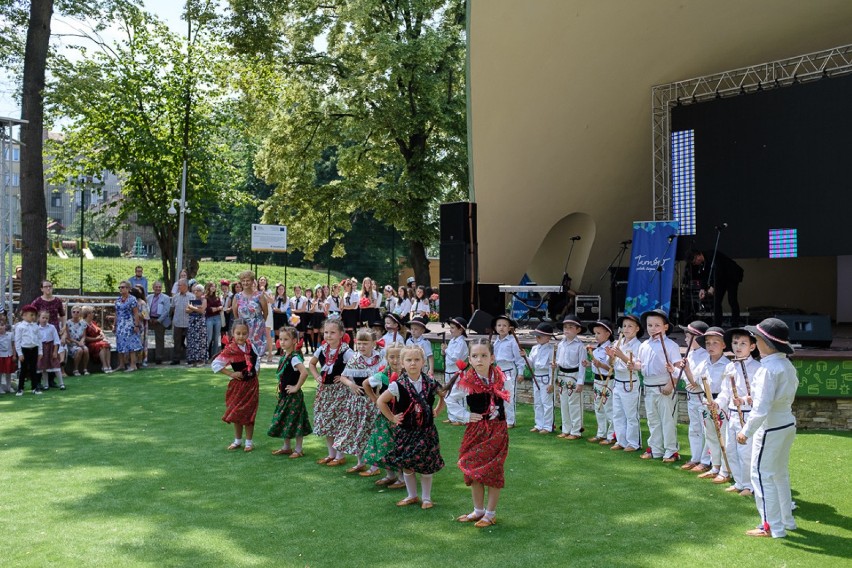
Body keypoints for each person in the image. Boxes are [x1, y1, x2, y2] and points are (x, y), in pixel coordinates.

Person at [736, 318, 798, 538]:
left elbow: (761, 409)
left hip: (771, 427)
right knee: (779, 473)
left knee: (761, 475)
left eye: (758, 339)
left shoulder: (768, 369)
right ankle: (786, 522)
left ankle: (771, 526)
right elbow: (771, 400)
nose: (754, 341)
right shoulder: (786, 365)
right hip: (786, 423)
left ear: (769, 344)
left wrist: (745, 432)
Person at [447, 337, 509, 527]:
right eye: (475, 356)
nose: (479, 360)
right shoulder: (465, 381)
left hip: (497, 429)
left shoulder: (501, 378)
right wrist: (466, 416)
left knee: (493, 469)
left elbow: (508, 399)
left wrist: (502, 418)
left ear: (492, 357)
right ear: (469, 359)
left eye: (484, 355)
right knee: (472, 468)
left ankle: (490, 513)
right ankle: (478, 510)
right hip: (476, 430)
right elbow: (451, 400)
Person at [376, 345, 445, 509]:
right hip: (406, 431)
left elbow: (444, 396)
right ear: (402, 363)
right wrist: (392, 417)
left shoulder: (430, 383)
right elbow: (381, 401)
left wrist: (437, 410)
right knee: (407, 464)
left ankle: (426, 498)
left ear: (423, 362)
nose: (413, 363)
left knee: (427, 465)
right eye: (408, 360)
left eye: (416, 360)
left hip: (427, 431)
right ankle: (411, 495)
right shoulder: (397, 385)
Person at [678, 327, 731, 482]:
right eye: (708, 343)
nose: (711, 346)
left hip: (722, 404)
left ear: (724, 345)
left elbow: (726, 391)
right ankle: (714, 467)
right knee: (711, 436)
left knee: (724, 438)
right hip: (706, 402)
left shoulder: (728, 365)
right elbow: (695, 382)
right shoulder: (704, 363)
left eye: (715, 343)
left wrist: (718, 403)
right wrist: (686, 369)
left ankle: (725, 470)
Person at [631, 309, 681, 462]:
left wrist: (670, 384)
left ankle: (671, 451)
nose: (653, 328)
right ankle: (655, 449)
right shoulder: (644, 344)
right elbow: (641, 363)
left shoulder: (671, 345)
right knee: (653, 420)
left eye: (657, 325)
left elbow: (678, 368)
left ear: (666, 327)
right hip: (648, 385)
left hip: (664, 386)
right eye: (650, 325)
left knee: (667, 420)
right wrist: (634, 365)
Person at [717, 327, 761, 496]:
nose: (738, 346)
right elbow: (725, 392)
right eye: (735, 343)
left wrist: (743, 400)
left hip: (748, 414)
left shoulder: (757, 368)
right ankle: (739, 482)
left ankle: (750, 485)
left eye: (743, 343)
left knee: (745, 452)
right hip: (731, 414)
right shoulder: (730, 367)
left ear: (752, 347)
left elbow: (758, 395)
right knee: (731, 450)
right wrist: (717, 403)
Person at [335, 328, 383, 473]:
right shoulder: (354, 359)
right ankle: (360, 462)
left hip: (375, 400)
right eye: (359, 343)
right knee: (359, 431)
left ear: (373, 343)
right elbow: (343, 376)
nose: (362, 346)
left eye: (365, 343)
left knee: (373, 432)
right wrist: (352, 385)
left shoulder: (379, 358)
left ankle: (375, 466)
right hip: (359, 401)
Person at [309, 317, 354, 466]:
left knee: (339, 422)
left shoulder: (346, 350)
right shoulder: (322, 349)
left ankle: (340, 456)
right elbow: (311, 363)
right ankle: (331, 454)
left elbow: (355, 365)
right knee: (327, 422)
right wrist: (317, 377)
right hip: (325, 392)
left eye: (332, 332)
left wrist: (343, 376)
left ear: (341, 333)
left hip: (340, 392)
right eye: (326, 332)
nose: (328, 335)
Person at [212, 318, 261, 452]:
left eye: (244, 333)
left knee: (250, 413)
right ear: (233, 333)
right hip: (238, 387)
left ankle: (249, 442)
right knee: (237, 413)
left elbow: (257, 359)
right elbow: (215, 364)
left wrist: (255, 372)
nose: (241, 336)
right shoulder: (231, 350)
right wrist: (231, 374)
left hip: (251, 385)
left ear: (248, 333)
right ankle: (237, 440)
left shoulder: (251, 346)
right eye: (238, 333)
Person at [363, 342, 405, 485]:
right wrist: (375, 399)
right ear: (387, 358)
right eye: (392, 357)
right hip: (386, 416)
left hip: (402, 417)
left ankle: (402, 478)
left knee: (399, 446)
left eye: (399, 357)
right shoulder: (382, 376)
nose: (395, 360)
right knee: (383, 445)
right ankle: (390, 474)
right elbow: (365, 384)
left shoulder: (407, 375)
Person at [268, 326, 312, 458]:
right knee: (285, 419)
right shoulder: (285, 356)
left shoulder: (294, 357)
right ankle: (286, 447)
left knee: (296, 420)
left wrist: (296, 387)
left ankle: (298, 449)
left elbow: (304, 373)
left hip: (293, 396)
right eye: (280, 339)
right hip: (285, 395)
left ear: (294, 341)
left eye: (286, 339)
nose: (282, 342)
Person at [673, 321, 710, 471]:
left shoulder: (706, 356)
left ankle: (706, 460)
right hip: (691, 397)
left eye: (688, 337)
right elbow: (685, 377)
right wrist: (674, 370)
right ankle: (695, 458)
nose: (686, 340)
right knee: (694, 428)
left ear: (697, 339)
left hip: (702, 397)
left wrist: (688, 372)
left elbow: (699, 380)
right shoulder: (691, 353)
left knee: (706, 429)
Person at [606, 314, 643, 451]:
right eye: (624, 326)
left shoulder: (639, 345)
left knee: (631, 414)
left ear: (637, 329)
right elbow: (611, 364)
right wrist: (611, 356)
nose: (626, 329)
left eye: (630, 326)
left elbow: (637, 364)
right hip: (617, 381)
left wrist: (621, 354)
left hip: (630, 381)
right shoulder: (617, 343)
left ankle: (633, 443)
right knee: (618, 413)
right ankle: (621, 441)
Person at [689, 249, 744, 327]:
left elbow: (719, 271)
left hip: (731, 276)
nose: (696, 263)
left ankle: (735, 323)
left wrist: (713, 286)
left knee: (732, 300)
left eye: (695, 261)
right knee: (716, 301)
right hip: (721, 279)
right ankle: (717, 325)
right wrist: (702, 289)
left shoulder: (712, 255)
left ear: (698, 255)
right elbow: (704, 275)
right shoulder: (703, 263)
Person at [491, 315, 526, 429]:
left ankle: (510, 420)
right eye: (499, 325)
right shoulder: (496, 342)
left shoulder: (512, 341)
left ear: (510, 328)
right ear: (495, 327)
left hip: (509, 369)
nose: (502, 328)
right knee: (498, 396)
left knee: (509, 396)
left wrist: (520, 372)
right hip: (498, 369)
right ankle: (501, 417)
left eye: (504, 325)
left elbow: (519, 359)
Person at [555, 316, 585, 439]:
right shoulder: (561, 344)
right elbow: (558, 361)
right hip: (562, 375)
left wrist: (580, 382)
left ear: (578, 330)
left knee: (574, 404)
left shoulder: (580, 346)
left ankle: (576, 430)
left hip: (574, 375)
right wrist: (555, 366)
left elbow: (582, 366)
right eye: (565, 327)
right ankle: (566, 429)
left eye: (571, 327)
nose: (567, 330)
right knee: (564, 403)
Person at [585, 319, 614, 444]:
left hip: (607, 381)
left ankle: (612, 436)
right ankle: (601, 433)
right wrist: (589, 364)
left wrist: (600, 364)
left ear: (607, 334)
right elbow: (595, 365)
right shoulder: (596, 350)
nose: (596, 336)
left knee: (609, 408)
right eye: (595, 333)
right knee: (598, 407)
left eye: (599, 333)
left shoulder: (611, 349)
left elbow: (611, 368)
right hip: (597, 381)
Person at [231, 271, 268, 359]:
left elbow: (265, 312)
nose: (245, 283)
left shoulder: (259, 295)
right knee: (244, 354)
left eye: (248, 280)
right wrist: (241, 324)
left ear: (252, 281)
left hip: (257, 328)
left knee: (256, 356)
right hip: (243, 329)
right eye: (243, 281)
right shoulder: (237, 296)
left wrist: (260, 323)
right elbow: (235, 313)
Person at [527, 322, 557, 434]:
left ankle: (548, 426)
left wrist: (551, 383)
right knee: (537, 402)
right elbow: (530, 364)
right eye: (536, 335)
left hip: (545, 377)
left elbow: (552, 368)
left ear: (548, 337)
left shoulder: (551, 349)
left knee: (547, 402)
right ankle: (539, 424)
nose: (537, 338)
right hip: (536, 376)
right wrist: (524, 356)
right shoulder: (534, 348)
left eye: (540, 336)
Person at [441, 316, 469, 425]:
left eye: (453, 328)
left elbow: (455, 358)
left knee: (459, 394)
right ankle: (452, 416)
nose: (450, 330)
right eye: (450, 327)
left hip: (457, 372)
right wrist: (444, 351)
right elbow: (448, 356)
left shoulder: (461, 343)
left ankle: (461, 418)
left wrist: (446, 350)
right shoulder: (452, 341)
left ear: (460, 329)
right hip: (449, 371)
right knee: (449, 393)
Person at [115, 281, 143, 373]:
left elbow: (136, 313)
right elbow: (116, 313)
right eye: (120, 287)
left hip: (129, 324)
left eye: (123, 287)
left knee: (131, 345)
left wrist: (136, 325)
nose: (121, 289)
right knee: (120, 344)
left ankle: (133, 365)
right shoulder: (118, 300)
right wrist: (114, 325)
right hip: (120, 325)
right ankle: (121, 364)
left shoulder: (132, 299)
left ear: (128, 289)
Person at [15, 304, 42, 395]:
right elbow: (17, 341)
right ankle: (20, 388)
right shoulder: (20, 327)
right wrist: (20, 353)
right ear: (24, 315)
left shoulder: (36, 326)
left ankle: (35, 387)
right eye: (31, 315)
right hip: (24, 350)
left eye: (34, 315)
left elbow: (39, 339)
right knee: (23, 369)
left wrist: (40, 352)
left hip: (34, 349)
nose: (33, 317)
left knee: (34, 369)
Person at [37, 309, 65, 390]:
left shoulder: (52, 327)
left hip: (51, 348)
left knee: (56, 366)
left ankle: (61, 383)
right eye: (43, 318)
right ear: (39, 318)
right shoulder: (37, 329)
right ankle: (46, 384)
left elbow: (56, 340)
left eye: (46, 318)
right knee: (44, 367)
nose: (45, 320)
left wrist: (55, 351)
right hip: (42, 349)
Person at [82, 305, 112, 373]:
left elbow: (99, 330)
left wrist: (102, 335)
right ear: (88, 314)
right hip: (90, 343)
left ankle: (108, 365)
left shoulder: (93, 323)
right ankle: (104, 366)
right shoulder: (83, 324)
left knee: (106, 344)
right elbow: (85, 338)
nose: (93, 314)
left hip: (98, 341)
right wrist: (96, 339)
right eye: (92, 312)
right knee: (102, 345)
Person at [147, 282, 171, 365]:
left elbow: (166, 311)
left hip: (160, 320)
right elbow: (145, 308)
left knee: (160, 340)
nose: (158, 288)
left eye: (160, 287)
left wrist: (159, 320)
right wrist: (148, 318)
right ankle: (144, 357)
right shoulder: (148, 297)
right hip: (149, 319)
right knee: (144, 337)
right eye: (156, 287)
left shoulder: (166, 298)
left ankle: (159, 357)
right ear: (153, 288)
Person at [170, 278, 193, 365]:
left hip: (188, 323)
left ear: (185, 286)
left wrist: (190, 310)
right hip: (177, 323)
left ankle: (190, 358)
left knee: (190, 341)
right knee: (177, 342)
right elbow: (172, 309)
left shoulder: (192, 296)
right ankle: (176, 359)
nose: (178, 287)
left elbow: (197, 309)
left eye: (180, 285)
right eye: (178, 285)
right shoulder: (175, 297)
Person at [186, 284, 208, 367]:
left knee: (201, 340)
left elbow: (202, 311)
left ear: (202, 292)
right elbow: (187, 310)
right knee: (192, 340)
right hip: (192, 322)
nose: (196, 292)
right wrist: (195, 308)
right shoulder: (191, 299)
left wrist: (192, 308)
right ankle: (193, 360)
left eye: (198, 290)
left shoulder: (204, 300)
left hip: (200, 323)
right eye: (195, 290)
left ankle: (201, 360)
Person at [65, 305, 89, 376]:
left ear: (80, 313)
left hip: (80, 342)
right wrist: (77, 342)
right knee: (79, 350)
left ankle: (85, 369)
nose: (75, 313)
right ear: (71, 313)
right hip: (72, 344)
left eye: (77, 312)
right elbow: (68, 337)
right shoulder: (68, 323)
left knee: (86, 349)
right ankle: (75, 369)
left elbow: (84, 336)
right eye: (74, 312)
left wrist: (81, 341)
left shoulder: (83, 323)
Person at [130, 286, 150, 367]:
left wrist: (137, 315)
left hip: (141, 326)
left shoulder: (142, 303)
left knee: (140, 343)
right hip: (132, 325)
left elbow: (146, 315)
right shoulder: (131, 302)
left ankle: (140, 361)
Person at [204, 282, 223, 360]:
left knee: (216, 338)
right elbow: (208, 309)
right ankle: (205, 355)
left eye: (214, 286)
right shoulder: (205, 297)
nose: (213, 288)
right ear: (208, 287)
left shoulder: (217, 297)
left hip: (217, 318)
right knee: (209, 338)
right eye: (212, 286)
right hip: (209, 318)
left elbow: (220, 306)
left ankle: (214, 356)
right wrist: (217, 308)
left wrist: (215, 309)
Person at [0, 315, 15, 393]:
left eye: (2, 325)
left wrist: (14, 355)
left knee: (8, 372)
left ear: (5, 326)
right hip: (0, 356)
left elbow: (13, 345)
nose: (0, 327)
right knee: (0, 372)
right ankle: (0, 388)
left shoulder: (10, 334)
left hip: (9, 355)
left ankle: (9, 387)